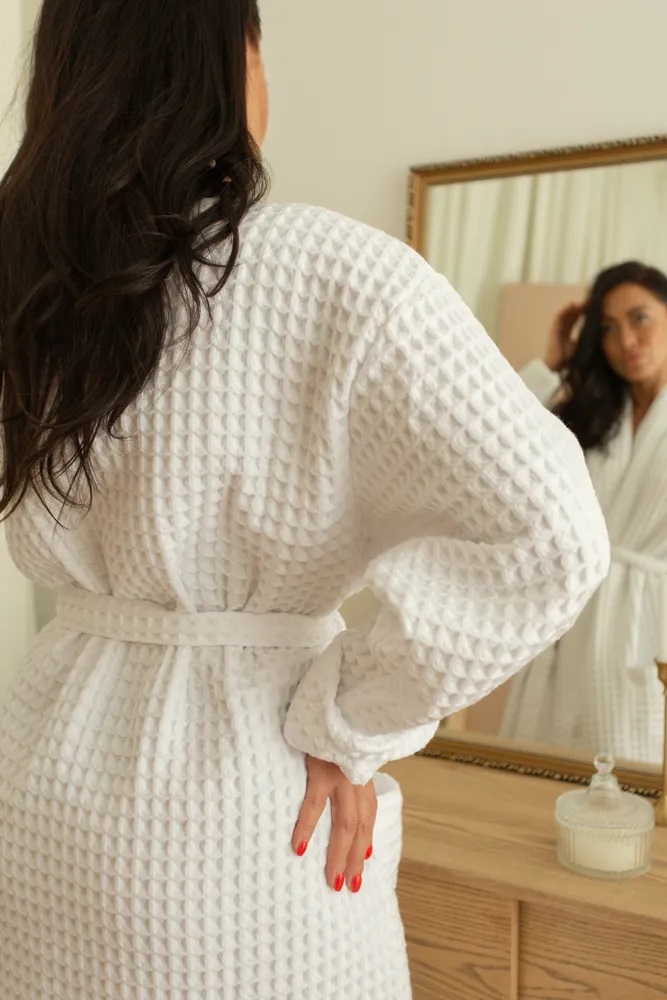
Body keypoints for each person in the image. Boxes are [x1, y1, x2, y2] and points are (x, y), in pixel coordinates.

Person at [0, 2, 608, 998]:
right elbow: (554, 538)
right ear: (222, 65)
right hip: (257, 793)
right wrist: (350, 722)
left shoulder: (31, 287)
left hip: (46, 775)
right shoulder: (334, 274)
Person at [502, 261, 667, 763]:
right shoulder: (595, 416)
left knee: (636, 776)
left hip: (649, 624)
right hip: (573, 616)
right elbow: (497, 444)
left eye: (640, 318)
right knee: (550, 772)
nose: (626, 341)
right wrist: (553, 363)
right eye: (608, 328)